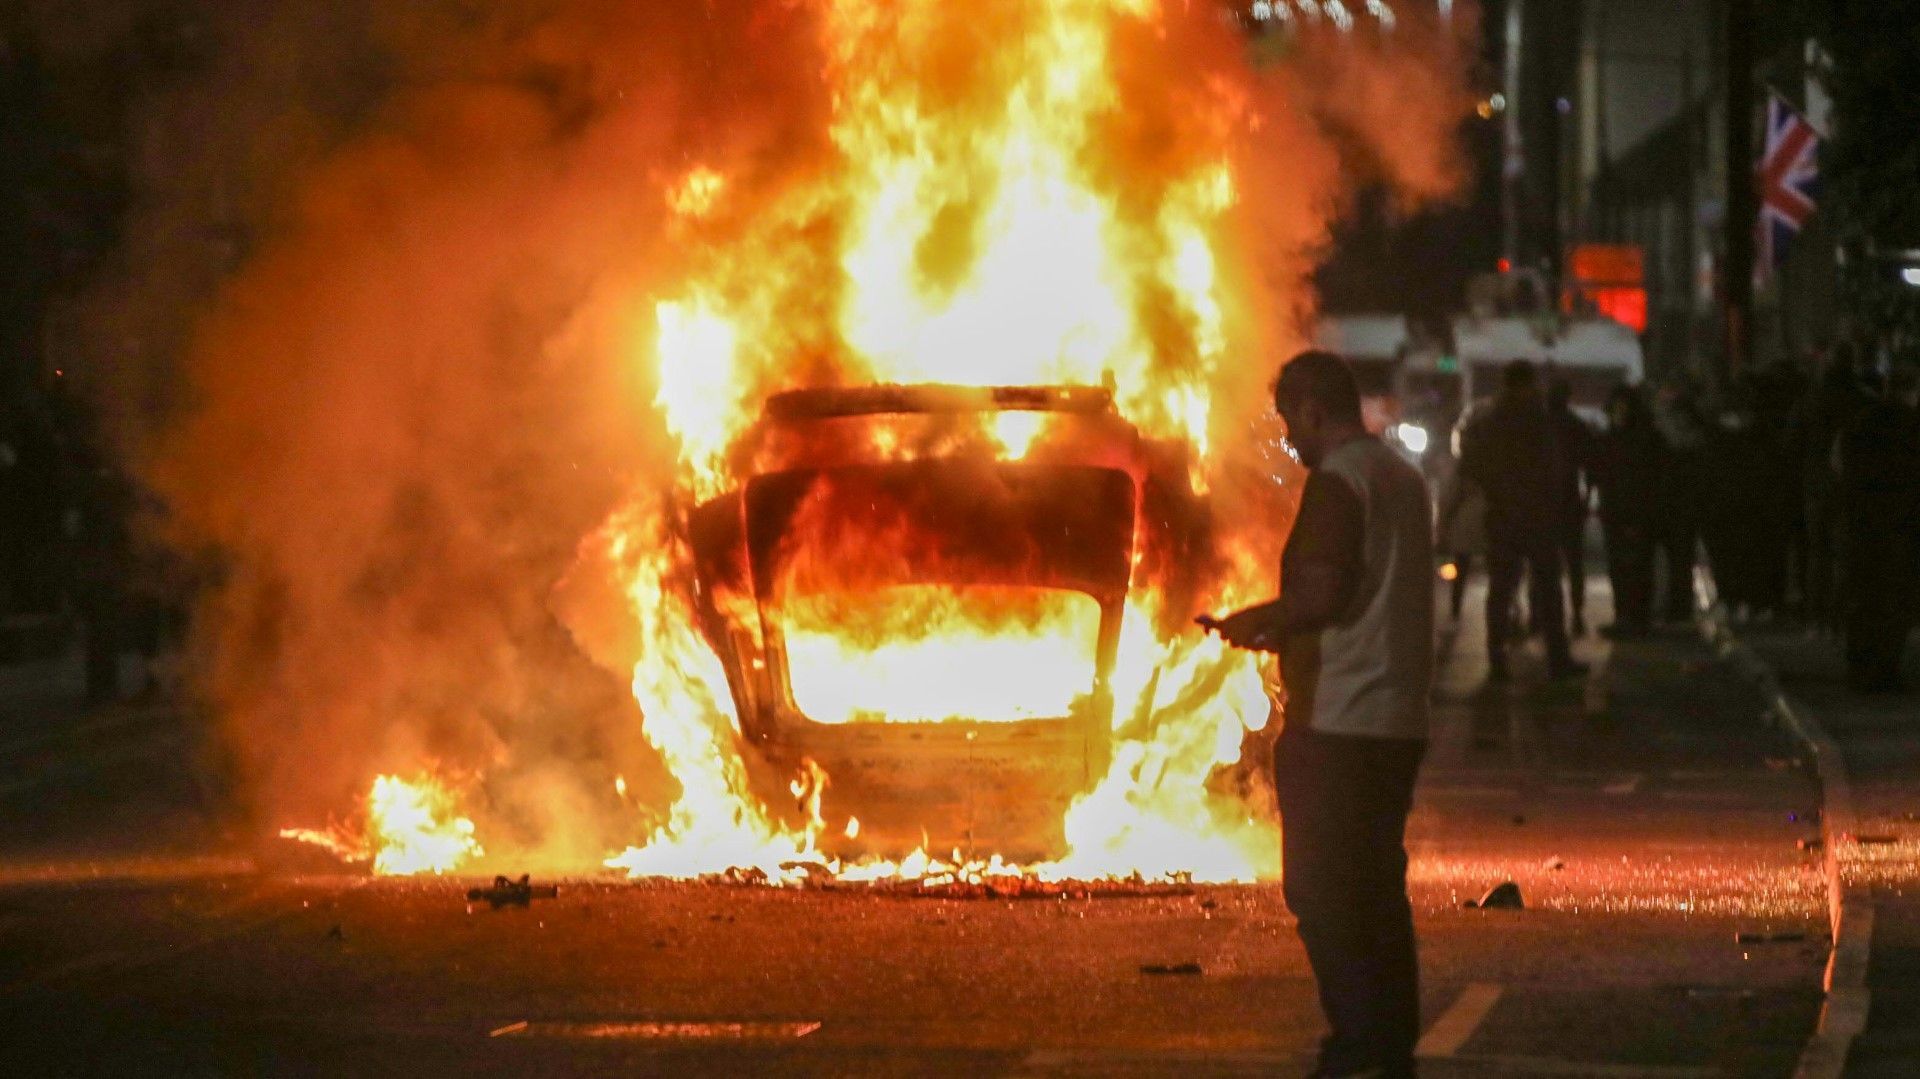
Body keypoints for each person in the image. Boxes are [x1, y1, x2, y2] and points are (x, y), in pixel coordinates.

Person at [1205, 350, 1433, 1079]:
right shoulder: (1400, 475)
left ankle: (1360, 1042)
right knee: (1375, 884)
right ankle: (1389, 1043)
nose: (1289, 441)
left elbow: (1323, 593)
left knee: (1321, 887)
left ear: (1312, 408)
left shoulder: (1339, 482)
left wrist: (1256, 621)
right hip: (1398, 714)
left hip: (1341, 716)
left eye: (1288, 423)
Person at [1459, 360, 1584, 681]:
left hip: (1502, 514)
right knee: (1548, 588)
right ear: (1527, 383)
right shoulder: (1537, 418)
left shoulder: (1488, 419)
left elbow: (1470, 462)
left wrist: (1494, 489)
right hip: (1537, 515)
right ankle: (1557, 659)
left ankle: (1497, 659)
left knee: (1501, 588)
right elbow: (1553, 466)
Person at [1836, 364, 1920, 691]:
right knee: (1893, 601)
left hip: (1862, 522)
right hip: (1900, 525)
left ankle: (1859, 668)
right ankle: (1884, 670)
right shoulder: (1912, 426)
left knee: (1863, 597)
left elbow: (1841, 466)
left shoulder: (1860, 423)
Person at [1591, 385, 1660, 638]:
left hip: (1635, 511)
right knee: (1620, 568)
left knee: (1636, 567)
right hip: (1615, 511)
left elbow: (1648, 478)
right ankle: (1625, 616)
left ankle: (1637, 618)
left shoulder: (1642, 439)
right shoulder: (1612, 438)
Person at [1545, 377, 1595, 635]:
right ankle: (1576, 613)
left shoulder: (1540, 426)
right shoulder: (1576, 426)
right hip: (1569, 501)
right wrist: (1587, 499)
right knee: (1574, 563)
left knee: (1544, 564)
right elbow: (1591, 465)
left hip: (1544, 502)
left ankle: (1541, 617)